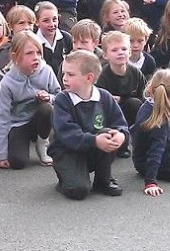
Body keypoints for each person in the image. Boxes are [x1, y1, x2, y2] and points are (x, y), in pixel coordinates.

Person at [49, 50, 129, 200]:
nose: (64, 78)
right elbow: (66, 133)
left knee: (108, 132)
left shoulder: (104, 97)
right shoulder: (62, 100)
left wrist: (121, 135)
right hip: (68, 151)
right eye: (64, 73)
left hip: (93, 149)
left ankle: (103, 180)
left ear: (89, 78)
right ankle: (65, 179)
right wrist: (94, 141)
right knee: (79, 191)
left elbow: (120, 124)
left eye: (70, 75)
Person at [0, 32, 61, 169]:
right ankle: (21, 145)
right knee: (17, 163)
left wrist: (49, 97)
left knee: (47, 109)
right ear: (16, 57)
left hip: (40, 121)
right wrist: (1, 154)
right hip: (18, 124)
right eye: (29, 53)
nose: (36, 57)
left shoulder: (46, 71)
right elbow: (2, 117)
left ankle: (43, 144)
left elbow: (59, 96)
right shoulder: (7, 82)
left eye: (38, 52)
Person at [96, 30, 147, 134]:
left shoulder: (135, 73)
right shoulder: (102, 75)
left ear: (129, 52)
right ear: (105, 55)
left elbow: (145, 96)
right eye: (114, 50)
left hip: (132, 113)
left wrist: (122, 99)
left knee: (134, 103)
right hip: (109, 114)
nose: (120, 52)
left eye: (124, 49)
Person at [35, 1, 72, 79]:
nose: (51, 24)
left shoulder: (66, 38)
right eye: (46, 21)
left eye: (54, 19)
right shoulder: (33, 41)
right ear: (37, 22)